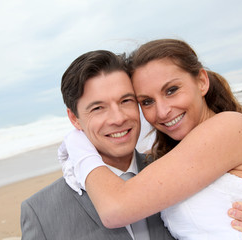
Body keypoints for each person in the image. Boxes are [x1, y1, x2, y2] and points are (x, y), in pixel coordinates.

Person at [60, 39, 242, 239]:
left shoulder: (229, 127)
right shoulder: (172, 158)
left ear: (201, 81)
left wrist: (77, 143)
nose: (162, 111)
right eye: (147, 102)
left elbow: (115, 208)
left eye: (171, 90)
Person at [21, 50, 175, 240]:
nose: (118, 118)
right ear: (74, 119)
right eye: (98, 108)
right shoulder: (40, 212)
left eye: (126, 101)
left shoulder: (174, 171)